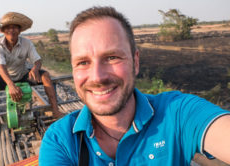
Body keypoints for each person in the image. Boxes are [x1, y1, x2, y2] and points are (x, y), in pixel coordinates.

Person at [39, 6, 230, 165]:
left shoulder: (177, 113)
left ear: (135, 62)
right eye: (83, 62)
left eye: (112, 57)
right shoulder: (61, 140)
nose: (97, 77)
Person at [0, 12, 62, 134]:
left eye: (15, 27)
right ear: (3, 30)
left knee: (45, 75)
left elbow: (37, 60)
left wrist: (35, 68)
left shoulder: (27, 43)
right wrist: (10, 85)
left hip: (23, 75)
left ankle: (56, 111)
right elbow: (1, 66)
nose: (12, 30)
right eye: (8, 27)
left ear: (19, 30)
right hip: (5, 77)